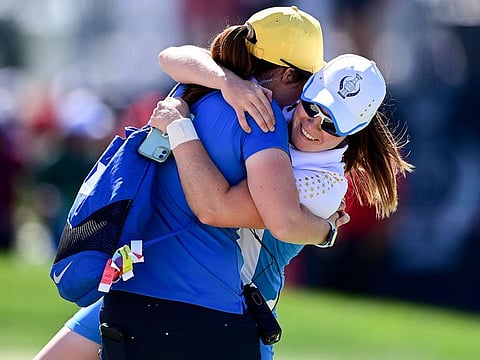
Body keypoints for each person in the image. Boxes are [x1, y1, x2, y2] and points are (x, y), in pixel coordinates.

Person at [34, 51, 413, 359]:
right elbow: (172, 58)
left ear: (353, 132)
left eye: (331, 124)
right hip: (163, 280)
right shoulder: (279, 114)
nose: (313, 125)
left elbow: (215, 208)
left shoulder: (324, 185)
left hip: (238, 312)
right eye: (312, 108)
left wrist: (181, 128)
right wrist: (227, 81)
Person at [90, 6, 346, 360]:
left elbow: (170, 56)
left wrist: (227, 82)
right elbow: (240, 212)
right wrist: (326, 231)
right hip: (206, 304)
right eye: (306, 84)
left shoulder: (195, 86)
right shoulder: (263, 120)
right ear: (288, 74)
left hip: (130, 285)